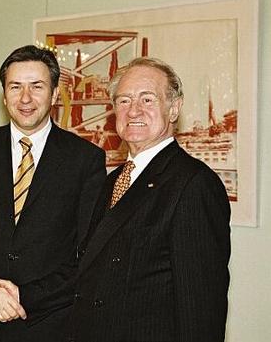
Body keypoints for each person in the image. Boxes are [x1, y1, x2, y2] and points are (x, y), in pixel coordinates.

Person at [0, 45, 106, 342]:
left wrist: (23, 295)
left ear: (54, 94)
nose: (25, 98)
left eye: (37, 86)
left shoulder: (85, 160)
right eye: (15, 87)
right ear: (4, 96)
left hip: (46, 324)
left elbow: (88, 253)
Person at [66, 57, 231, 342]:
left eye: (147, 99)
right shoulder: (111, 181)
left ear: (174, 108)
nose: (134, 111)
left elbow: (201, 309)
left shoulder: (194, 184)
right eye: (124, 101)